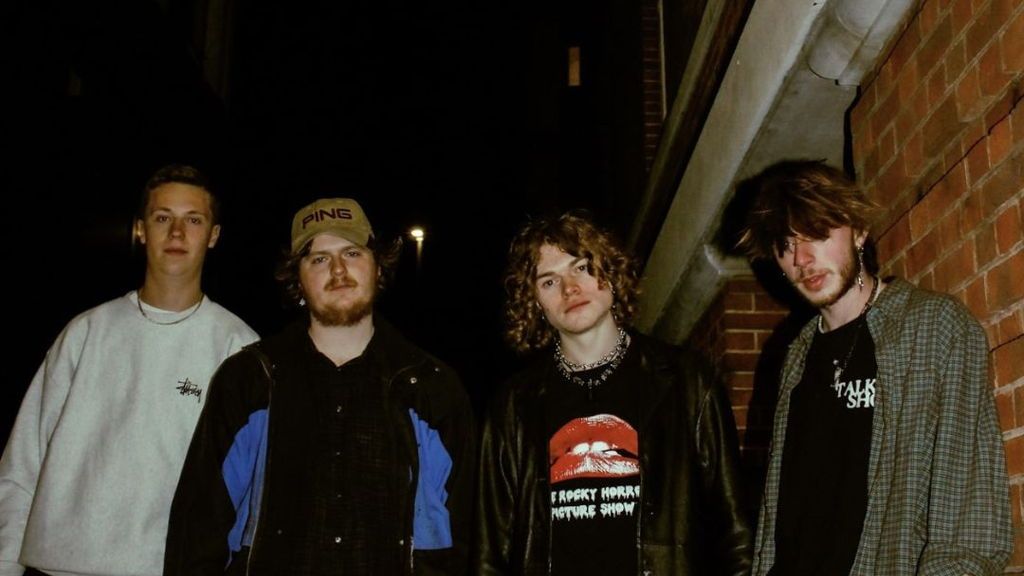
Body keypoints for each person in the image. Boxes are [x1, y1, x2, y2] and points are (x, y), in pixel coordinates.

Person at [165, 197, 475, 575]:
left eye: (352, 253)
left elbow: (457, 538)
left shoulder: (431, 388)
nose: (338, 270)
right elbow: (200, 528)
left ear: (378, 266)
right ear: (298, 279)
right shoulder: (250, 380)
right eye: (319, 259)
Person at [737, 160, 1011, 575]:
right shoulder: (795, 356)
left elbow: (969, 515)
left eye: (817, 234)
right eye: (786, 244)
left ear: (859, 231)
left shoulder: (933, 327)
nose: (803, 258)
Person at [0, 164, 258, 576]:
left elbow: (253, 490)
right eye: (162, 218)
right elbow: (23, 463)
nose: (177, 233)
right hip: (60, 567)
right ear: (141, 229)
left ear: (213, 235)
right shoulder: (86, 332)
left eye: (193, 220)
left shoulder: (239, 347)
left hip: (172, 567)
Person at [476, 211, 752, 575]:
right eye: (549, 281)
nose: (570, 288)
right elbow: (490, 552)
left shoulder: (687, 381)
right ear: (535, 303)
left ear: (609, 270)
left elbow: (735, 533)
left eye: (581, 267)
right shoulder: (514, 406)